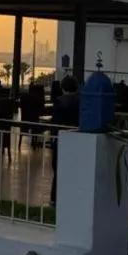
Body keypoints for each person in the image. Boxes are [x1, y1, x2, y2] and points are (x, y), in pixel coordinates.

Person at [48, 75, 80, 205]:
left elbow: (54, 122)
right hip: (76, 141)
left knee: (58, 170)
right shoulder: (80, 102)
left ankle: (55, 198)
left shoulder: (59, 102)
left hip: (60, 140)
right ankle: (72, 197)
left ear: (62, 88)